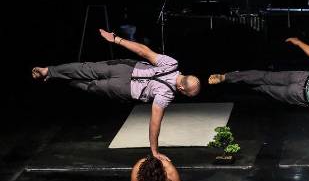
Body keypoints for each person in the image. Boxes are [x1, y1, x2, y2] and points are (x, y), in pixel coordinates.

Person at [32, 29, 201, 162]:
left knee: (86, 68)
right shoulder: (167, 94)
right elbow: (155, 122)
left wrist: (117, 40)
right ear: (181, 87)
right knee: (90, 86)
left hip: (125, 67)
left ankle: (50, 71)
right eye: (186, 94)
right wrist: (154, 151)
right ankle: (54, 77)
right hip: (124, 87)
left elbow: (144, 51)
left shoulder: (172, 63)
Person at [208, 37, 309, 163]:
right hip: (298, 88)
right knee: (264, 82)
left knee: (264, 84)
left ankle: (232, 79)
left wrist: (299, 42)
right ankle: (226, 77)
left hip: (299, 84)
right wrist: (299, 43)